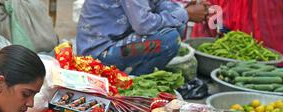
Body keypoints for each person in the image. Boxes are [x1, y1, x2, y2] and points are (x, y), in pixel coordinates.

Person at [76, 0, 210, 75]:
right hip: (100, 55)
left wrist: (182, 10)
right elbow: (144, 25)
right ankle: (132, 83)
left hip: (119, 40)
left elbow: (159, 3)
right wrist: (186, 13)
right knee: (169, 40)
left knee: (177, 24)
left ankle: (132, 74)